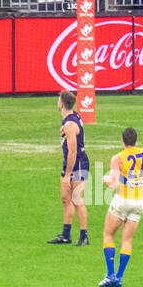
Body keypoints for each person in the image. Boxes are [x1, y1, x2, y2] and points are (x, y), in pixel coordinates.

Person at [99, 127, 143, 287]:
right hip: (139, 203)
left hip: (122, 200)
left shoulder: (118, 158)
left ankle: (110, 274)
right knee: (127, 241)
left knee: (108, 235)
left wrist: (105, 178)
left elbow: (114, 183)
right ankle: (119, 278)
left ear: (122, 140)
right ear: (137, 140)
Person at [47, 91, 90, 247]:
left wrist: (67, 175)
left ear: (62, 104)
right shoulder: (72, 118)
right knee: (65, 198)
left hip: (77, 163)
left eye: (58, 99)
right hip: (71, 162)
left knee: (77, 199)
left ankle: (84, 236)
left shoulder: (70, 124)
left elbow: (73, 151)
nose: (57, 102)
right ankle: (66, 235)